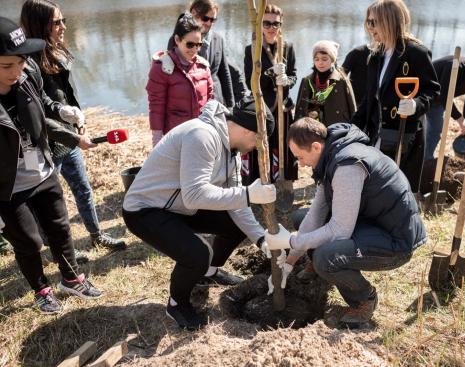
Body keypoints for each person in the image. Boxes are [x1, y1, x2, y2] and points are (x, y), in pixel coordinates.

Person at [122, 97, 276, 330]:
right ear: (248, 131)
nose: (257, 147)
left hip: (180, 205)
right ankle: (177, 303)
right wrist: (248, 194)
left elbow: (236, 202)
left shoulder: (232, 150)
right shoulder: (201, 136)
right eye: (259, 141)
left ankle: (208, 273)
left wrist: (260, 238)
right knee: (197, 253)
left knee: (235, 226)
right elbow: (195, 194)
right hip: (146, 209)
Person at [264, 117, 427, 327]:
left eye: (301, 157)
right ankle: (319, 265)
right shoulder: (330, 153)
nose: (302, 164)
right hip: (373, 222)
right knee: (301, 218)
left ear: (315, 146)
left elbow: (340, 230)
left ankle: (364, 299)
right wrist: (289, 262)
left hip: (396, 239)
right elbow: (316, 214)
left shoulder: (347, 166)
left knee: (326, 258)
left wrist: (294, 242)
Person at [0, 16, 102, 314]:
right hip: (8, 186)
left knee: (60, 229)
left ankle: (71, 278)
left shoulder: (27, 74)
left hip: (43, 171)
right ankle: (42, 289)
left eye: (20, 62)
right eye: (7, 66)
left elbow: (41, 119)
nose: (17, 71)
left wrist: (73, 137)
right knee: (29, 242)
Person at [20, 0, 126, 251]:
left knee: (83, 189)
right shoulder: (26, 64)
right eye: (57, 22)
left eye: (63, 20)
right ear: (39, 24)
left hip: (69, 137)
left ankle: (97, 234)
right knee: (49, 202)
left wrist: (80, 123)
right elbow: (39, 110)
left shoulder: (58, 52)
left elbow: (68, 97)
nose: (63, 27)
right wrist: (70, 132)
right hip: (43, 145)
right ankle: (58, 247)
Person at [350, 0, 440, 193]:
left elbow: (432, 90)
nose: (370, 28)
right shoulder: (375, 56)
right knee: (376, 182)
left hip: (403, 134)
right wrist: (352, 128)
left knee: (398, 187)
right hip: (377, 132)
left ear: (389, 21)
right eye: (368, 22)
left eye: (374, 22)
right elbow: (370, 98)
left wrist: (416, 105)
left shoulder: (416, 53)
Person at [243, 3, 298, 184]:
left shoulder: (288, 47)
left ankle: (282, 181)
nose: (271, 28)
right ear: (260, 25)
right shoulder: (252, 49)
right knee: (263, 144)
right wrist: (270, 74)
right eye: (266, 23)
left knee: (282, 145)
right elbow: (250, 82)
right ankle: (262, 181)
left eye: (276, 24)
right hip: (263, 106)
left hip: (283, 106)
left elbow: (294, 75)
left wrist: (286, 80)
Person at [148, 12, 213, 147]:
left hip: (201, 135)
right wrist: (157, 141)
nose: (194, 49)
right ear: (177, 40)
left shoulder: (203, 66)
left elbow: (210, 102)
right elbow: (156, 107)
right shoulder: (162, 68)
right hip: (174, 138)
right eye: (190, 44)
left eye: (198, 44)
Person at [169, 0, 233, 108]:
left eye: (213, 20)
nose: (209, 23)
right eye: (205, 18)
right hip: (190, 103)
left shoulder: (218, 39)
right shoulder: (178, 39)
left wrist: (231, 105)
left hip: (216, 102)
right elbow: (171, 76)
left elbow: (224, 74)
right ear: (194, 13)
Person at [295, 40, 356, 126]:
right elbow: (300, 108)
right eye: (316, 59)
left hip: (338, 129)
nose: (320, 62)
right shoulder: (306, 80)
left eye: (324, 59)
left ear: (332, 60)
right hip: (313, 129)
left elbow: (352, 107)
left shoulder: (342, 80)